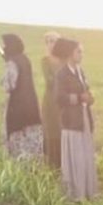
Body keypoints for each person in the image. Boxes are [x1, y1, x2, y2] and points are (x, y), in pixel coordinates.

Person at [53, 38, 98, 200]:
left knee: (85, 154)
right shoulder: (62, 73)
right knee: (76, 155)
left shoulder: (80, 71)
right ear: (71, 53)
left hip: (83, 118)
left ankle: (87, 191)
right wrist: (80, 98)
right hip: (71, 121)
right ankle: (75, 193)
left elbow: (86, 92)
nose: (81, 55)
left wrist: (89, 98)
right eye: (79, 51)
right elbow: (59, 98)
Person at [0, 34, 43, 160]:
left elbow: (9, 86)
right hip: (30, 101)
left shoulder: (12, 62)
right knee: (30, 133)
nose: (3, 47)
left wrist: (5, 69)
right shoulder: (25, 59)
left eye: (5, 44)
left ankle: (19, 163)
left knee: (17, 134)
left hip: (17, 104)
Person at [40, 31, 63, 170]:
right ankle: (52, 163)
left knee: (63, 128)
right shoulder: (45, 61)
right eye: (48, 41)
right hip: (51, 100)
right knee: (52, 129)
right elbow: (50, 81)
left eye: (53, 40)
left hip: (62, 100)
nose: (51, 44)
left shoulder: (65, 60)